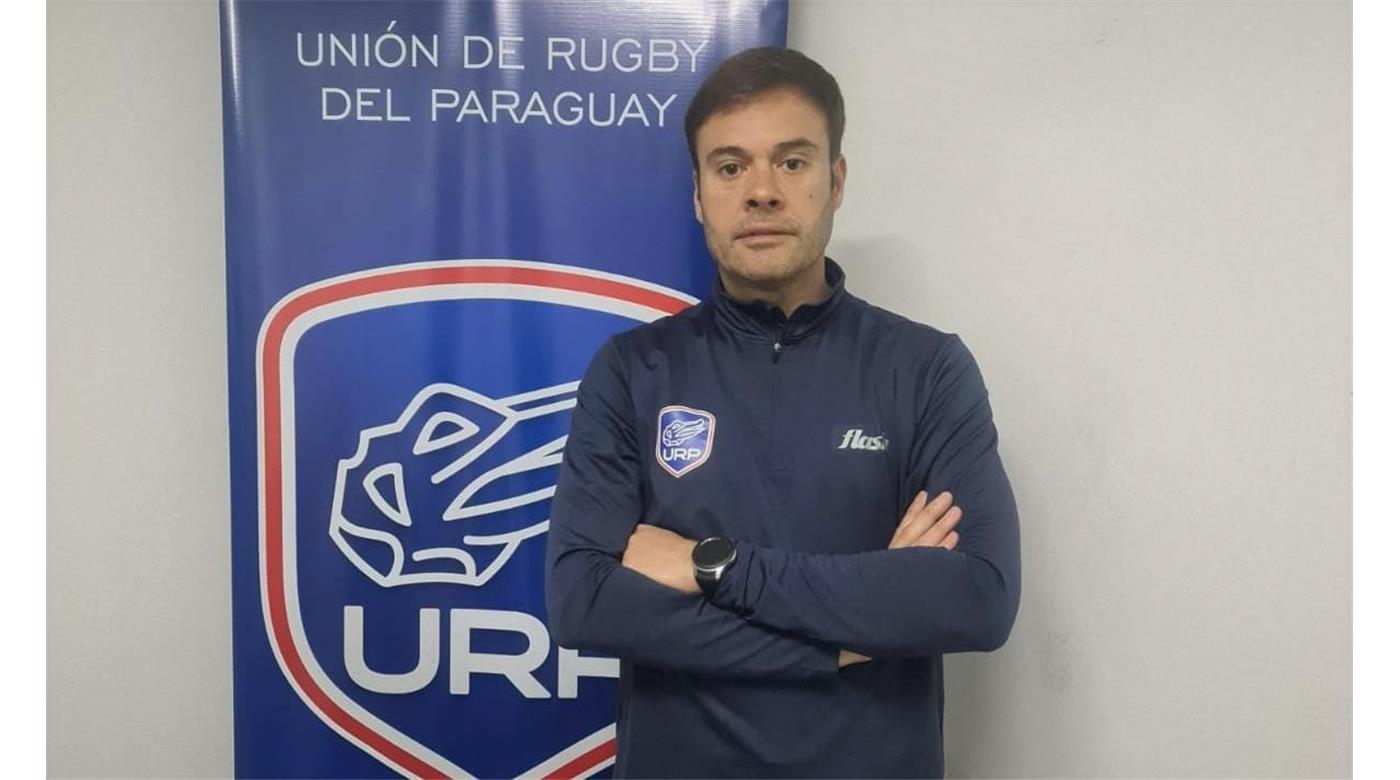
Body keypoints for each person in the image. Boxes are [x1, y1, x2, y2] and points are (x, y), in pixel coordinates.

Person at [545, 46, 1021, 778]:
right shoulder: (631, 371)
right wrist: (843, 640)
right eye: (730, 167)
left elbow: (977, 598)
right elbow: (585, 601)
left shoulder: (926, 369)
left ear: (836, 181)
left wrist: (714, 566)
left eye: (792, 162)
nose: (761, 191)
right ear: (698, 194)